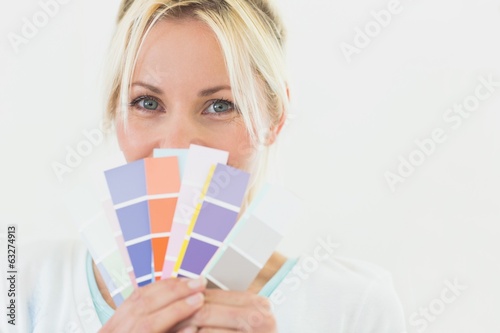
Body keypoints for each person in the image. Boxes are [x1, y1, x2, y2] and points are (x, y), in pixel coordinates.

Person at [4, 0, 407, 332]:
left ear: (275, 118)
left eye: (219, 106)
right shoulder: (19, 279)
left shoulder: (354, 306)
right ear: (115, 112)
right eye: (147, 103)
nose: (178, 145)